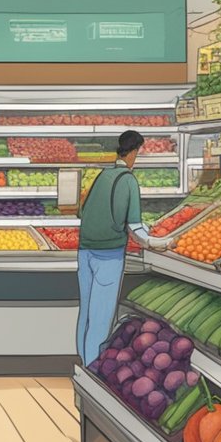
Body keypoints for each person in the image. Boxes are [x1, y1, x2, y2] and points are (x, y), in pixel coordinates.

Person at [76, 130, 175, 367]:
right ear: (133, 152)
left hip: (85, 250)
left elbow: (83, 211)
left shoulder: (103, 175)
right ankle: (92, 369)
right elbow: (135, 228)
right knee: (101, 316)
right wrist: (158, 242)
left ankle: (82, 360)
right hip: (108, 254)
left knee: (86, 312)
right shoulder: (128, 180)